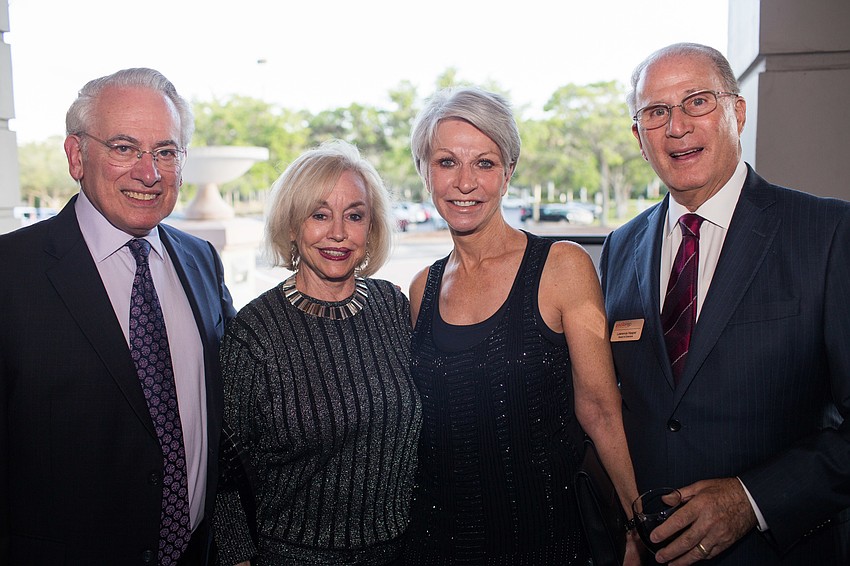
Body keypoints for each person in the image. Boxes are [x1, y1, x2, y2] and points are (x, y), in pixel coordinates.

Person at [600, 42, 850, 565]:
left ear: (737, 111)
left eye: (697, 101)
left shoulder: (827, 234)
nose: (677, 127)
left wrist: (751, 499)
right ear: (639, 137)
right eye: (656, 112)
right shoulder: (620, 247)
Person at [0, 68, 235, 565]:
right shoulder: (9, 274)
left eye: (166, 152)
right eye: (124, 148)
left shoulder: (201, 261)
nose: (148, 172)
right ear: (76, 155)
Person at [403, 86, 640, 565]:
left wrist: (638, 525)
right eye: (447, 162)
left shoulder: (562, 266)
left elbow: (600, 408)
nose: (465, 182)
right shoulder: (421, 289)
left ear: (508, 174)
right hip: (437, 544)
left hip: (547, 543)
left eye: (485, 164)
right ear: (425, 173)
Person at [213, 140, 422, 566]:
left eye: (355, 215)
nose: (339, 233)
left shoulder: (394, 309)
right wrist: (239, 558)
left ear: (372, 228)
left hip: (403, 552)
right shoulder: (255, 333)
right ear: (292, 226)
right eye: (319, 215)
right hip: (292, 557)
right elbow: (222, 468)